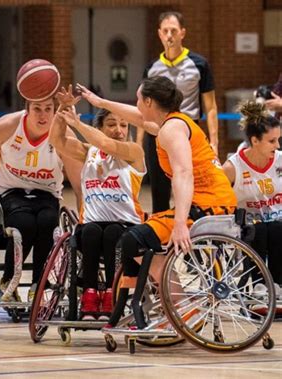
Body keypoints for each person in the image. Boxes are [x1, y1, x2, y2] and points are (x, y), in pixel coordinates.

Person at [76, 76, 237, 326]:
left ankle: (180, 306)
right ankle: (174, 301)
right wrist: (100, 101)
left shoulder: (172, 130)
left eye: (139, 98)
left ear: (149, 101)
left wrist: (181, 222)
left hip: (208, 205)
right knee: (138, 237)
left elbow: (184, 173)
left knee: (133, 239)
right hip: (212, 200)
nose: (136, 103)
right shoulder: (171, 123)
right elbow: (137, 118)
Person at [0, 82, 82, 303]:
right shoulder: (6, 126)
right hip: (8, 191)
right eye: (37, 109)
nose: (43, 115)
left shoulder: (63, 135)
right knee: (24, 223)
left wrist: (84, 217)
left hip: (46, 193)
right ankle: (9, 279)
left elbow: (79, 184)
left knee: (48, 221)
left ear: (55, 110)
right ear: (27, 109)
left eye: (48, 109)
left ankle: (39, 284)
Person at [50, 87, 146, 320]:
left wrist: (78, 124)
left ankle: (114, 293)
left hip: (126, 226)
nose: (119, 130)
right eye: (112, 124)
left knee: (113, 232)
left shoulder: (134, 152)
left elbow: (107, 144)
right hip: (91, 224)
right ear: (101, 127)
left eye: (124, 125)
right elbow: (56, 140)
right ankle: (90, 293)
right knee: (91, 231)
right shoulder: (88, 152)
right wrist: (62, 109)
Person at [136, 11, 219, 213]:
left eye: (173, 30)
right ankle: (161, 235)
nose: (169, 35)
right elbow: (142, 106)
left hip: (187, 131)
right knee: (159, 191)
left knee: (189, 185)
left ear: (182, 33)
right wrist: (138, 143)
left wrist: (214, 142)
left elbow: (211, 106)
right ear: (159, 34)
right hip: (155, 132)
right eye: (165, 31)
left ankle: (189, 232)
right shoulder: (152, 67)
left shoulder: (199, 64)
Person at [223, 100, 281, 288]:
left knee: (275, 228)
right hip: (246, 226)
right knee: (261, 229)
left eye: (279, 139)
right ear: (255, 141)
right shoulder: (232, 168)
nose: (277, 145)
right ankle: (260, 287)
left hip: (278, 223)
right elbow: (219, 200)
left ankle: (277, 286)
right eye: (272, 141)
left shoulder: (280, 160)